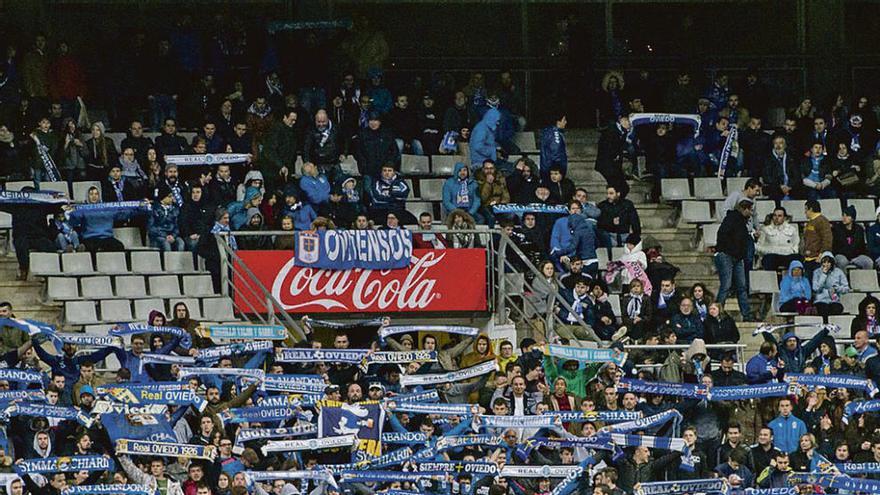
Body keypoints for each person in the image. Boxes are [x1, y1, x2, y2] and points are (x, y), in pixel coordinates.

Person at [0, 186, 62, 280]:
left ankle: (51, 271)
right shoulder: (15, 205)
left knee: (49, 246)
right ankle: (23, 269)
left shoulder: (41, 206)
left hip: (39, 236)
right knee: (21, 245)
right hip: (22, 236)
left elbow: (57, 206)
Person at [68, 186, 149, 252]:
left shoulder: (108, 208)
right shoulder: (83, 209)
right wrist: (72, 212)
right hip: (90, 238)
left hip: (107, 237)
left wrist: (140, 207)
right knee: (91, 247)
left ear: (99, 196)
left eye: (96, 194)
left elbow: (125, 214)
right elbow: (73, 221)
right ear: (88, 196)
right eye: (91, 194)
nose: (94, 196)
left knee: (118, 246)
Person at [715, 199, 754, 320]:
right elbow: (722, 235)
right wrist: (732, 250)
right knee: (726, 286)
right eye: (750, 210)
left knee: (742, 287)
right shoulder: (731, 219)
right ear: (745, 209)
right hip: (727, 255)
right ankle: (716, 313)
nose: (751, 212)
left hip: (738, 257)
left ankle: (746, 314)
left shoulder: (742, 222)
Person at [260, 107, 297, 191]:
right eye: (291, 120)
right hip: (272, 170)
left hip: (284, 170)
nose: (293, 122)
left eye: (295, 120)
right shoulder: (276, 130)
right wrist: (281, 165)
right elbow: (269, 150)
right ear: (284, 117)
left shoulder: (291, 131)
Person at [595, 114, 632, 197]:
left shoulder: (623, 131)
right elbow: (607, 148)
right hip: (607, 165)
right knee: (617, 187)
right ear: (621, 120)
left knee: (624, 188)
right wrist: (615, 156)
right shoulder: (610, 130)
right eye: (628, 121)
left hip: (615, 165)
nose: (629, 124)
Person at [355, 112, 399, 178]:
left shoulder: (387, 133)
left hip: (384, 170)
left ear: (380, 122)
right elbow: (358, 152)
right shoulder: (362, 134)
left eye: (375, 120)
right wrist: (364, 165)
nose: (373, 123)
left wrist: (389, 164)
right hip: (367, 170)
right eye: (371, 120)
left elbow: (394, 151)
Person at [303, 109, 341, 179]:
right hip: (317, 164)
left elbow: (344, 140)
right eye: (318, 122)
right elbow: (306, 147)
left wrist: (344, 153)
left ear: (327, 119)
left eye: (323, 122)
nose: (321, 124)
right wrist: (307, 162)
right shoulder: (310, 130)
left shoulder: (336, 128)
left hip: (334, 163)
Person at [762, 134, 801, 201]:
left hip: (790, 188)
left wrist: (789, 187)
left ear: (785, 145)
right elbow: (767, 177)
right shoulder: (768, 159)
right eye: (776, 143)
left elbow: (797, 175)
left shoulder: (792, 158)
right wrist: (780, 186)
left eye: (781, 143)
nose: (778, 146)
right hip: (775, 188)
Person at [832, 205, 872, 269]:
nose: (844, 218)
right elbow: (836, 247)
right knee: (842, 262)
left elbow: (862, 247)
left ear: (853, 218)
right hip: (842, 255)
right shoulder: (837, 229)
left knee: (868, 262)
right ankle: (843, 279)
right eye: (843, 215)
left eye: (847, 216)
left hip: (856, 256)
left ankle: (864, 279)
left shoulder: (859, 229)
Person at [812, 251, 849, 317]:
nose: (826, 264)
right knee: (823, 309)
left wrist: (837, 288)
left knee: (837, 309)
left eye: (828, 262)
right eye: (824, 262)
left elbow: (846, 288)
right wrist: (824, 275)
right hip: (820, 300)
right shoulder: (816, 272)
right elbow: (816, 288)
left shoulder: (839, 272)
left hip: (834, 301)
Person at [149, 184, 184, 252]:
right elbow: (151, 228)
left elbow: (178, 226)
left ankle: (178, 262)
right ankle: (167, 262)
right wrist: (164, 235)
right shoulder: (154, 209)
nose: (172, 198)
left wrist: (173, 236)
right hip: (158, 236)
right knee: (166, 244)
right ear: (163, 197)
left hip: (172, 235)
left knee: (180, 243)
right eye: (169, 196)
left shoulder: (175, 209)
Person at [802, 199, 832, 278]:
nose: (805, 212)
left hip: (817, 259)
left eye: (806, 209)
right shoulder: (810, 222)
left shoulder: (822, 221)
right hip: (809, 257)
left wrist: (822, 254)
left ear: (811, 209)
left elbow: (827, 239)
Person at [540, 113, 567, 180]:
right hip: (553, 171)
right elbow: (556, 153)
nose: (566, 122)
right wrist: (559, 171)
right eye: (564, 120)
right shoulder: (555, 134)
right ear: (558, 122)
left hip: (547, 168)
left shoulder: (547, 131)